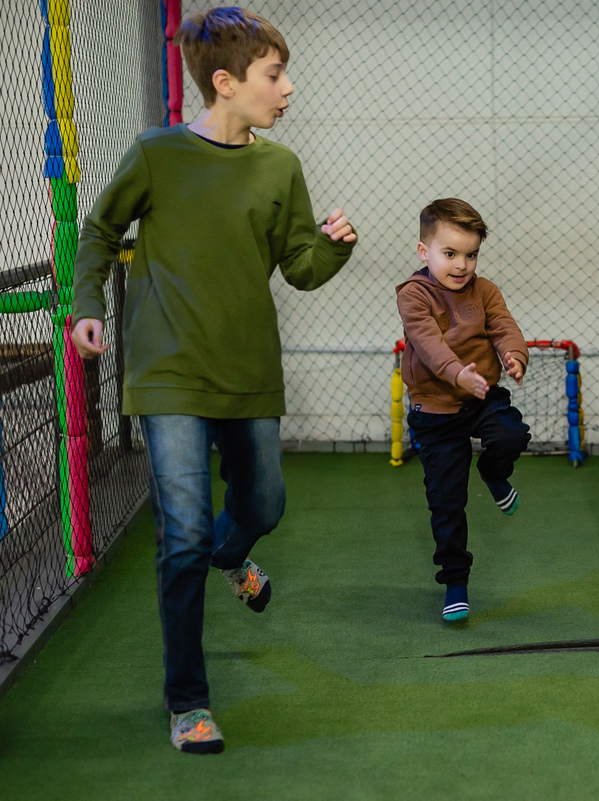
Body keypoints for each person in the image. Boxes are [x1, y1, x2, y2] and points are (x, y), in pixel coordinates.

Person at [70, 7, 357, 755]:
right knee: (185, 532)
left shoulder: (279, 167)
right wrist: (86, 305)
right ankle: (188, 700)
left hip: (248, 369)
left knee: (263, 501)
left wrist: (334, 249)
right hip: (166, 372)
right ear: (225, 83)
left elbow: (299, 267)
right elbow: (100, 230)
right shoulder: (156, 154)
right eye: (274, 75)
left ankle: (236, 555)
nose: (288, 88)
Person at [396, 198, 531, 623]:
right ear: (424, 252)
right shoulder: (413, 295)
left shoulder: (485, 290)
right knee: (447, 502)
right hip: (435, 408)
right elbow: (429, 345)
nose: (461, 265)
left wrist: (514, 356)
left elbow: (504, 326)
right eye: (450, 254)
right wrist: (458, 376)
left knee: (510, 436)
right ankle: (455, 583)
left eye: (470, 255)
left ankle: (493, 473)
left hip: (481, 394)